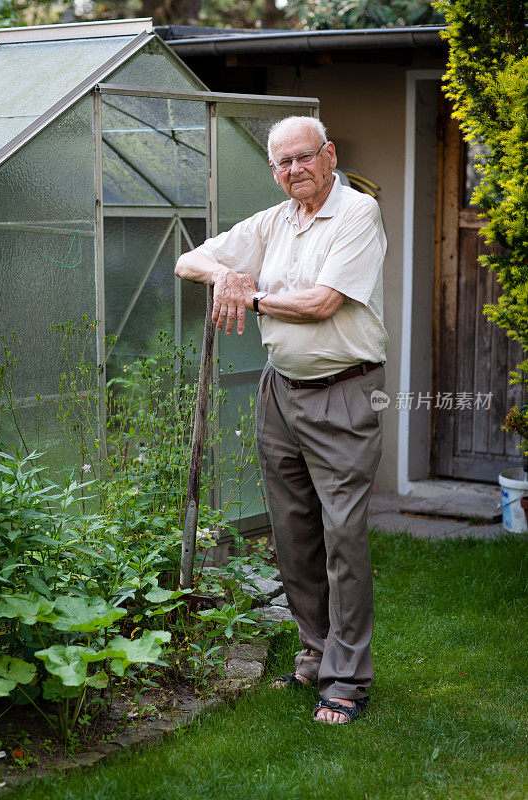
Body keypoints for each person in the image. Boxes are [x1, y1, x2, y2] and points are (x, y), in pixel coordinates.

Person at [175, 116, 389, 724]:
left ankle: (346, 683)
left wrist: (250, 297)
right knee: (293, 535)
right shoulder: (274, 222)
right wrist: (223, 273)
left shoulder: (355, 214)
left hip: (345, 394)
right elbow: (188, 260)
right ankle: (314, 655)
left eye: (304, 157)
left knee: (342, 536)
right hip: (280, 393)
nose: (294, 170)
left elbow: (323, 303)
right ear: (275, 170)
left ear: (329, 155)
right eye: (282, 162)